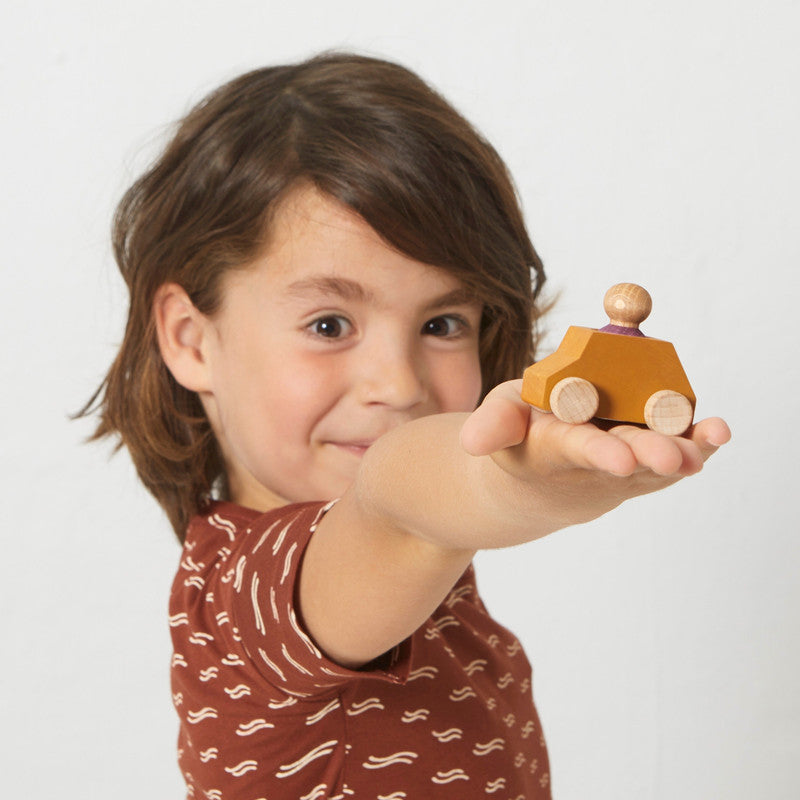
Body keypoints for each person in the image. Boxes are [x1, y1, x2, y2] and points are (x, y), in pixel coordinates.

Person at [82, 52, 730, 799]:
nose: (398, 383)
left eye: (443, 321)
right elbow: (396, 508)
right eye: (329, 323)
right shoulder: (243, 599)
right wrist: (518, 481)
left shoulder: (425, 589)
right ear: (192, 341)